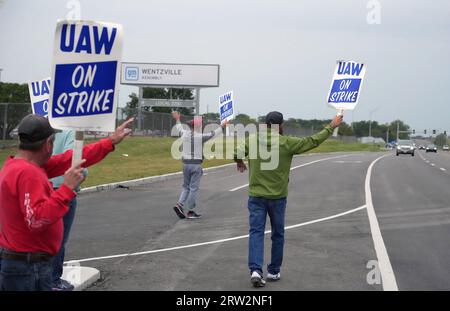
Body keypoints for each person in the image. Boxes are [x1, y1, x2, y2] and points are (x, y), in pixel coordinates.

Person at [0, 114, 133, 291]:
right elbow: (36, 220)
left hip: (23, 264)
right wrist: (67, 189)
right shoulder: (28, 173)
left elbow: (70, 159)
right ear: (48, 144)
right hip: (28, 268)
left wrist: (110, 142)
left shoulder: (19, 166)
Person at [234, 111, 343, 287]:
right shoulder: (287, 142)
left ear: (265, 125)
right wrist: (331, 126)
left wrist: (239, 161)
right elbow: (312, 141)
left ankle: (255, 269)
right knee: (277, 234)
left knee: (256, 233)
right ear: (281, 125)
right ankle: (273, 271)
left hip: (256, 196)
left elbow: (237, 151)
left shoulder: (252, 140)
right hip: (277, 197)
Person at [171, 111, 229, 219]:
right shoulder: (201, 136)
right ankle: (191, 211)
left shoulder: (184, 134)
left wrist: (177, 119)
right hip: (196, 164)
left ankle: (179, 204)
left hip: (185, 164)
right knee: (193, 188)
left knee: (186, 187)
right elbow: (214, 133)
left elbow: (179, 127)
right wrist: (223, 125)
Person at [50, 130, 85, 291]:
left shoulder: (43, 130)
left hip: (42, 186)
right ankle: (54, 280)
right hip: (63, 189)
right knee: (59, 240)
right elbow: (73, 160)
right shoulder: (71, 132)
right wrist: (84, 172)